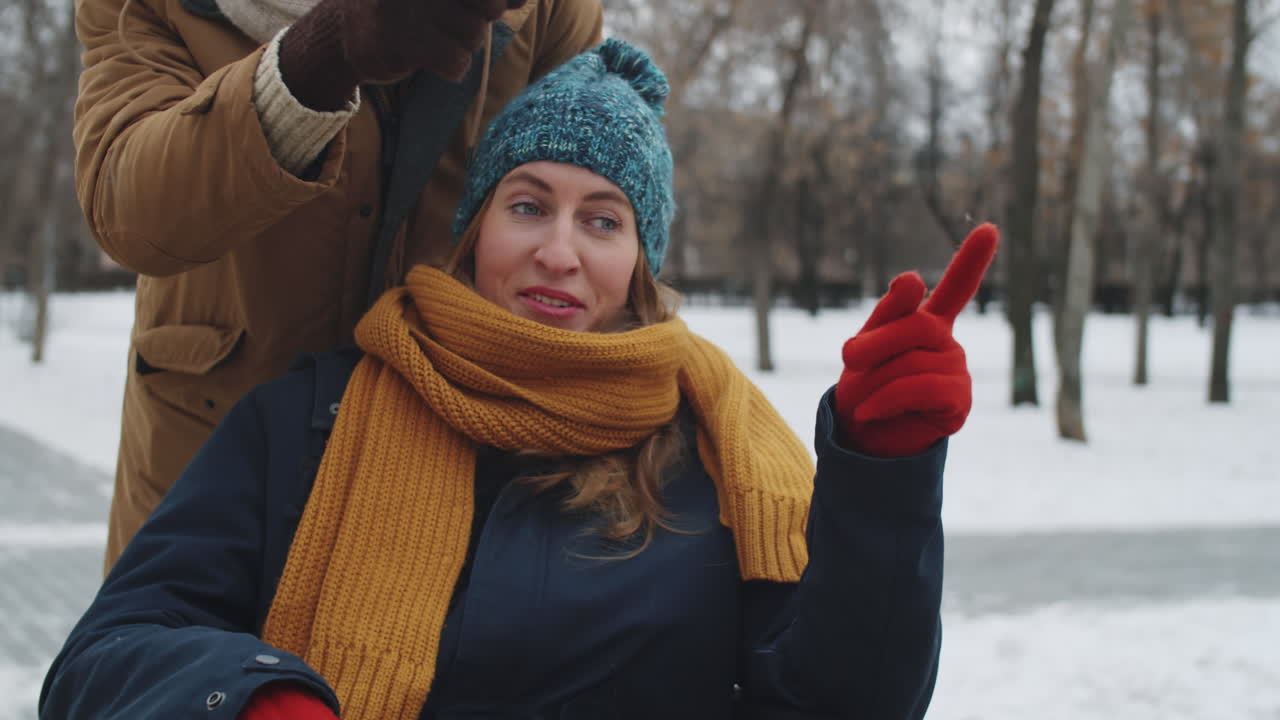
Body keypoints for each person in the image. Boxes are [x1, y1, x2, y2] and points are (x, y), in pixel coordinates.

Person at [43, 39, 998, 719]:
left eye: (603, 220)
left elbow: (844, 699)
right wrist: (255, 697)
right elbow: (108, 653)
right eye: (529, 205)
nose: (558, 253)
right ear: (474, 231)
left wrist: (883, 477)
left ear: (641, 262)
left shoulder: (715, 451)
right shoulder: (309, 416)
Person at [76, 0, 605, 571]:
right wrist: (320, 58)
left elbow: (593, 199)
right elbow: (128, 211)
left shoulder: (549, 9)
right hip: (208, 476)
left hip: (446, 482)